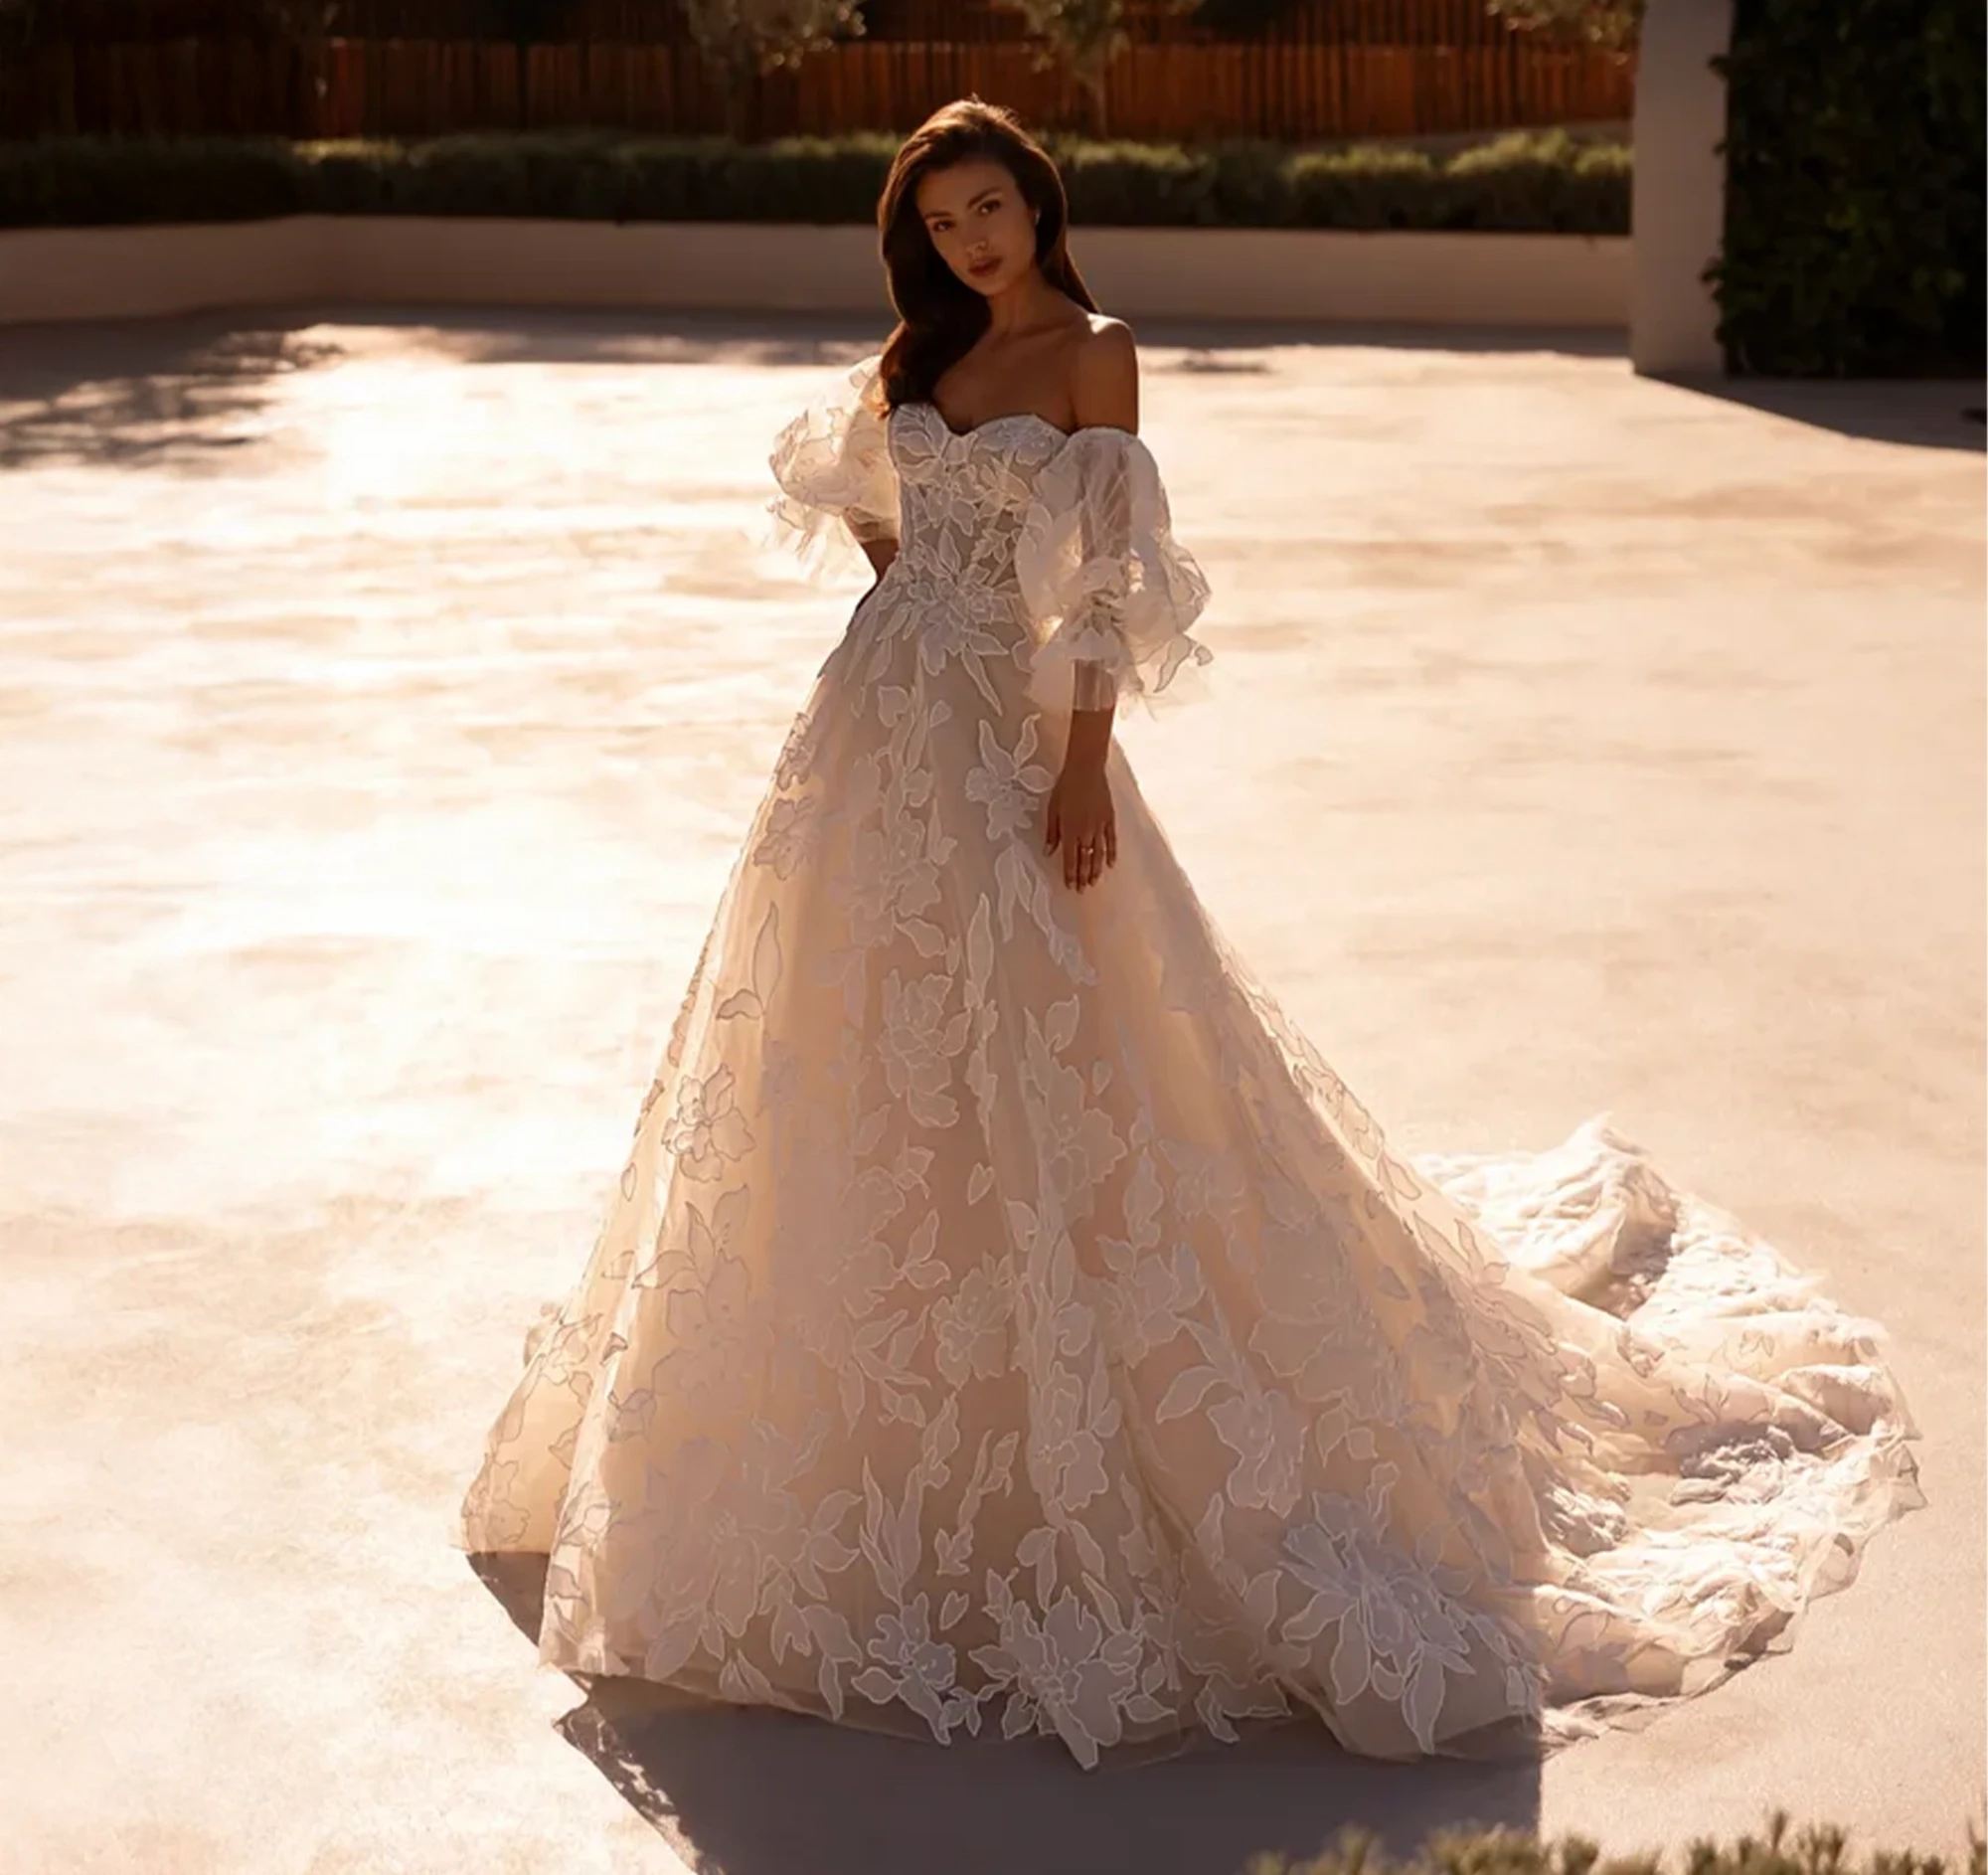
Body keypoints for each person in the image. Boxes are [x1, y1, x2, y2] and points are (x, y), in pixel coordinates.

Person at [455, 97, 1923, 1769]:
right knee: (849, 1059)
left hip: (1015, 745)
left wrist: (1077, 760)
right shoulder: (916, 358)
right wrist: (909, 577)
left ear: (1039, 202)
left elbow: (1106, 584)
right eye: (942, 223)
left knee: (1072, 1058)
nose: (972, 241)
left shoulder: (1095, 351)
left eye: (991, 207)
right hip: (872, 742)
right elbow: (869, 508)